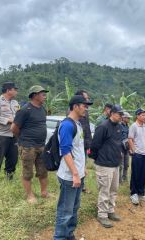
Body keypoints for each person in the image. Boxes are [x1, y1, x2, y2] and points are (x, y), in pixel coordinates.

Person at [54, 95, 90, 240]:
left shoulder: (78, 124)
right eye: (84, 106)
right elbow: (65, 151)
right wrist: (75, 173)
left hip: (77, 174)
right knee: (65, 211)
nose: (86, 109)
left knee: (74, 209)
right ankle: (60, 237)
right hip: (69, 176)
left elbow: (78, 150)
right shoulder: (67, 125)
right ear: (75, 106)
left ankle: (69, 235)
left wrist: (82, 169)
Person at [11, 85, 50, 204]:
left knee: (43, 171)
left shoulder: (42, 109)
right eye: (42, 94)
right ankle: (30, 195)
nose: (45, 96)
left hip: (41, 146)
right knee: (27, 172)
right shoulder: (24, 110)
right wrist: (23, 139)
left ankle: (44, 192)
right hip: (28, 146)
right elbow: (14, 128)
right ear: (34, 95)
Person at [90, 105, 124, 228]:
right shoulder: (103, 127)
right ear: (112, 113)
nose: (121, 116)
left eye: (122, 114)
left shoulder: (119, 127)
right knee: (104, 190)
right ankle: (102, 215)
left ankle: (110, 211)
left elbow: (118, 144)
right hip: (104, 164)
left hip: (115, 164)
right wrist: (98, 159)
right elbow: (94, 145)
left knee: (114, 190)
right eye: (119, 114)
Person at [0, 82, 20, 183]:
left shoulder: (15, 103)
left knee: (12, 158)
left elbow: (19, 115)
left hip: (13, 135)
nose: (16, 91)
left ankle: (9, 177)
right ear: (8, 90)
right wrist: (8, 120)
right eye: (15, 89)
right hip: (0, 135)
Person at [128, 108, 145, 205]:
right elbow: (130, 139)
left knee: (143, 174)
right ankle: (134, 193)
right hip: (137, 154)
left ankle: (141, 192)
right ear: (137, 116)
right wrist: (134, 151)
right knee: (135, 174)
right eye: (142, 115)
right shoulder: (133, 126)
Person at [74, 90, 93, 193]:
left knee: (83, 164)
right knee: (78, 164)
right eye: (85, 98)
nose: (87, 100)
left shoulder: (85, 112)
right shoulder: (74, 113)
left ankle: (82, 185)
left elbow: (87, 128)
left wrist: (89, 142)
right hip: (78, 144)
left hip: (85, 143)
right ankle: (78, 184)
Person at [119, 112, 132, 182]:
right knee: (121, 165)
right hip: (121, 148)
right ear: (123, 118)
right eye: (128, 118)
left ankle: (125, 178)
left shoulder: (127, 126)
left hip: (126, 148)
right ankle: (119, 180)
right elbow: (118, 137)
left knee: (126, 164)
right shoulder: (119, 126)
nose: (129, 119)